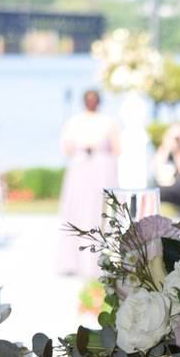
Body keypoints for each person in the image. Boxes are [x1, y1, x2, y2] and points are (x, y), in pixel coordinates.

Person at [56, 90, 119, 277]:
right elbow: (66, 149)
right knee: (77, 210)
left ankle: (103, 257)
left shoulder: (108, 122)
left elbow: (117, 148)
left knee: (99, 210)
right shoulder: (74, 122)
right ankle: (73, 260)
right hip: (81, 168)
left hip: (101, 169)